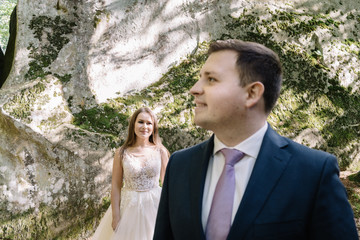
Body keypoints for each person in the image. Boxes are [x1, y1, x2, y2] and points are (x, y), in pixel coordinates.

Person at [153, 39, 358, 240]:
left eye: (211, 79)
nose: (195, 89)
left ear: (252, 93)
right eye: (200, 78)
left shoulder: (314, 172)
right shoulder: (179, 165)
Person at [92, 107, 169, 240]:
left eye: (149, 123)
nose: (144, 126)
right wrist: (116, 215)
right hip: (129, 207)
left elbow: (169, 185)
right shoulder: (121, 153)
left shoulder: (160, 151)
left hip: (154, 205)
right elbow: (116, 185)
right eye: (141, 122)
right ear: (133, 124)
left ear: (154, 127)